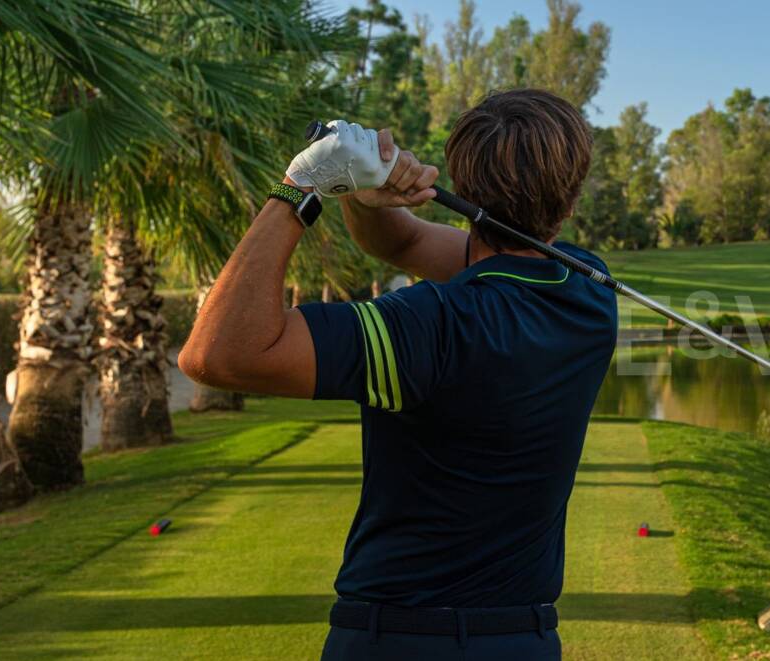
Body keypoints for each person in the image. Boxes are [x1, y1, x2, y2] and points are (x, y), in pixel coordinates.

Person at [179, 89, 616, 660]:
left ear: (464, 185)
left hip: (395, 641)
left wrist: (300, 188)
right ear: (573, 198)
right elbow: (404, 240)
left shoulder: (428, 325)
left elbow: (215, 354)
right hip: (525, 641)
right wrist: (363, 197)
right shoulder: (588, 292)